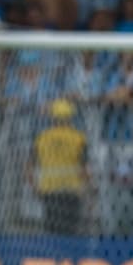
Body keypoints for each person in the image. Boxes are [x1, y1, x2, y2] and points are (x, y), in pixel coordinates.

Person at [28, 98, 89, 235]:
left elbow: (29, 167)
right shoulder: (79, 138)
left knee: (51, 230)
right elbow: (85, 168)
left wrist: (35, 186)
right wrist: (86, 188)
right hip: (72, 189)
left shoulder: (41, 138)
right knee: (71, 231)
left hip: (49, 189)